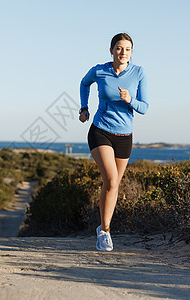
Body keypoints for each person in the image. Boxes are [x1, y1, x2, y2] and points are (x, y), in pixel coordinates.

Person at [79, 33, 149, 251]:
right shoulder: (100, 70)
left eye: (127, 49)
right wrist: (84, 108)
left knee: (113, 184)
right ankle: (105, 233)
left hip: (124, 137)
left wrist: (131, 100)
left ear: (131, 52)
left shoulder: (139, 73)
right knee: (110, 179)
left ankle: (102, 226)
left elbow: (145, 107)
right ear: (111, 50)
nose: (123, 53)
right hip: (101, 131)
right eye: (119, 48)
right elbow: (84, 83)